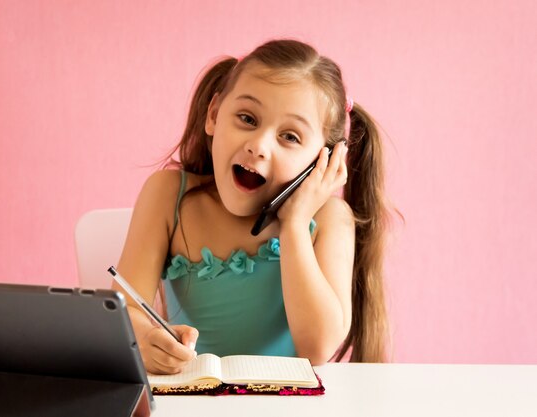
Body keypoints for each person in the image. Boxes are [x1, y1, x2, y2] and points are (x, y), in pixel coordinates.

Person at [114, 39, 395, 375]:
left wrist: (294, 225)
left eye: (290, 137)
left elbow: (317, 347)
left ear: (326, 159)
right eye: (247, 118)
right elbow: (126, 308)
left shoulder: (329, 220)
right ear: (214, 115)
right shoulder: (167, 195)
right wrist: (145, 339)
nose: (258, 146)